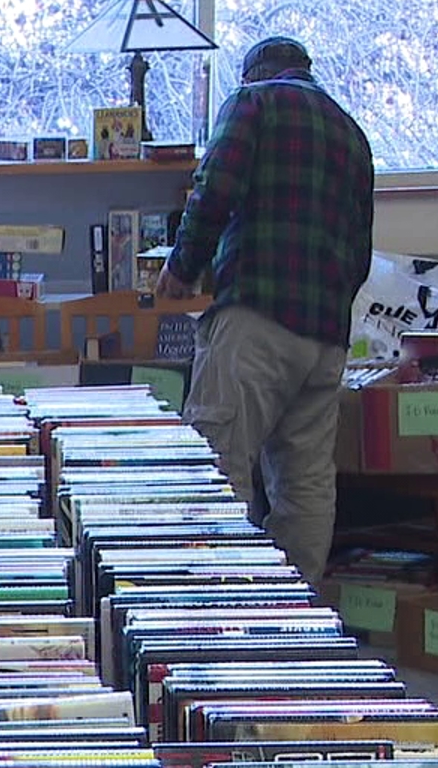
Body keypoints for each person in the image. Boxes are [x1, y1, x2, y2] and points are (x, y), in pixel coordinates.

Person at [157, 36, 375, 583]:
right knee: (305, 483)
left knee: (216, 465)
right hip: (325, 337)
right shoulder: (353, 134)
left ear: (252, 73)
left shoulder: (254, 102)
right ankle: (294, 624)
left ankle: (210, 609)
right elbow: (361, 249)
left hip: (256, 319)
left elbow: (215, 189)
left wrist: (181, 268)